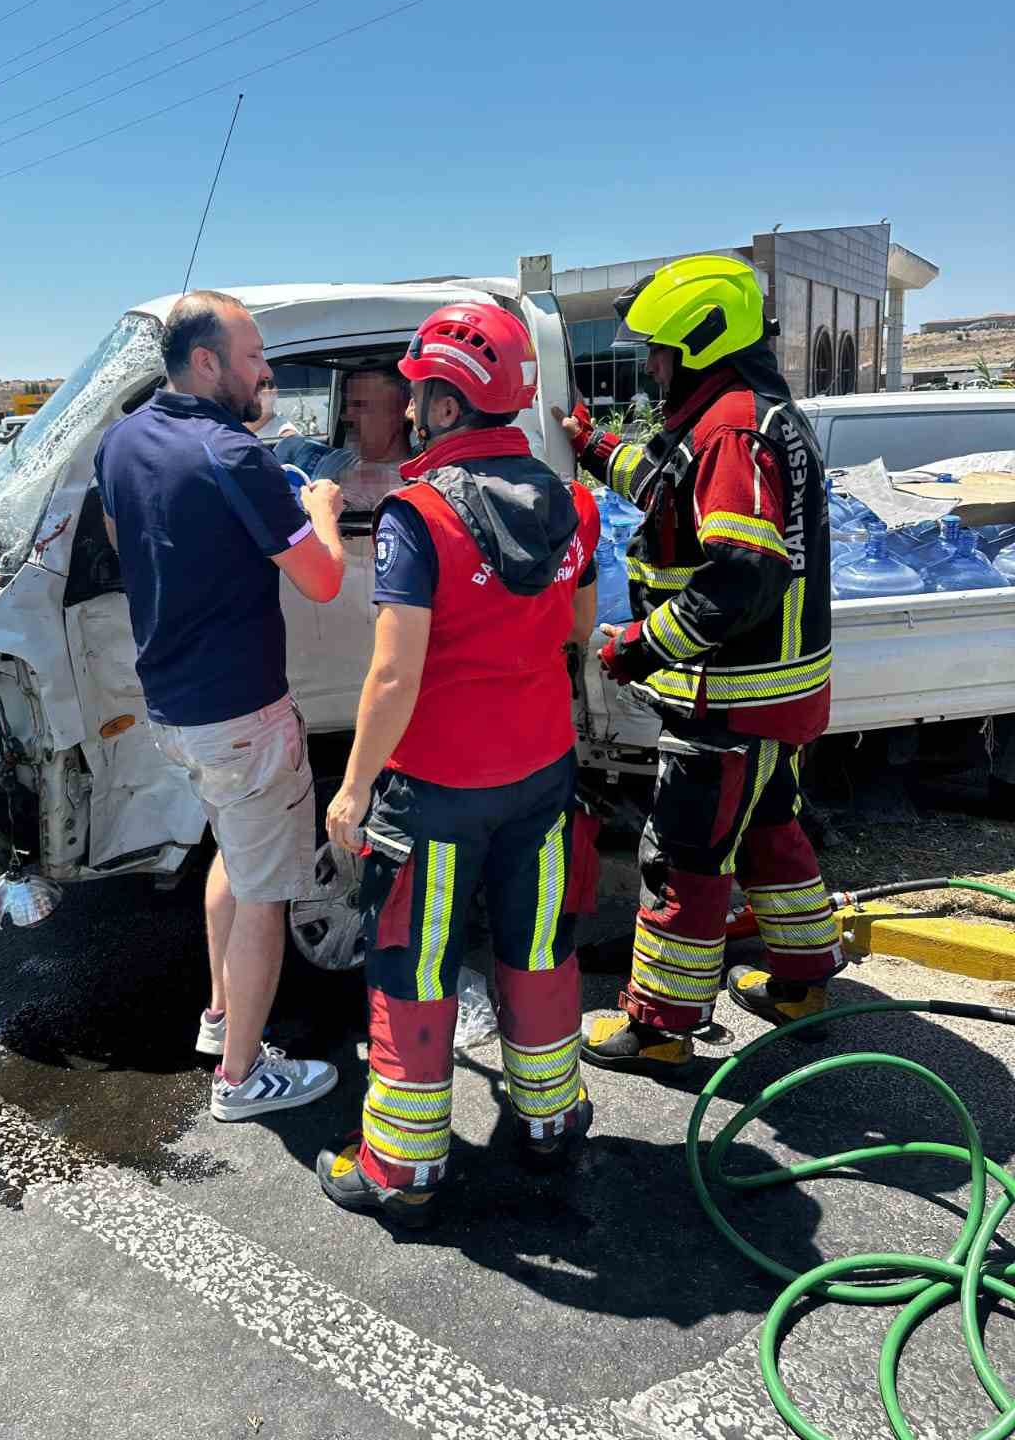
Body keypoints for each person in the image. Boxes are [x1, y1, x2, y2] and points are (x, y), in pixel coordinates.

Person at [314, 301, 601, 1227]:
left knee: (415, 962)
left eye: (416, 394)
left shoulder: (416, 516)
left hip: (436, 790)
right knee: (537, 945)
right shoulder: (575, 503)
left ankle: (402, 1165)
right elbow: (582, 630)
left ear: (443, 404)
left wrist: (354, 789)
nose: (405, 409)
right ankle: (551, 1117)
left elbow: (394, 672)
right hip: (542, 773)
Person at [556, 254, 843, 1076]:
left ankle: (662, 1026)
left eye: (659, 349)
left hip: (732, 701)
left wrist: (641, 644)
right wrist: (595, 445)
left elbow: (740, 578)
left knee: (682, 856)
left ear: (701, 342)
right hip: (773, 698)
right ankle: (803, 981)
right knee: (769, 834)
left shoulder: (732, 428)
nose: (649, 363)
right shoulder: (740, 413)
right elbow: (672, 491)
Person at [95, 290, 346, 1121]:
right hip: (243, 713)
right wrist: (320, 511)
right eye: (253, 358)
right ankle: (240, 1079)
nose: (266, 372)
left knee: (233, 859)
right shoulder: (236, 457)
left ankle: (217, 1016)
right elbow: (323, 577)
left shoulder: (122, 440)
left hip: (175, 705)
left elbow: (136, 532)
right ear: (207, 364)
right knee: (267, 891)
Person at [275, 365, 412, 510]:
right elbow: (294, 443)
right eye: (347, 405)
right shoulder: (345, 458)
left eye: (361, 405)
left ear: (399, 413)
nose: (346, 416)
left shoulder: (387, 486)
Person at [244, 374, 299, 440]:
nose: (249, 395)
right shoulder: (233, 428)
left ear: (273, 392)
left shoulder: (286, 435)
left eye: (256, 388)